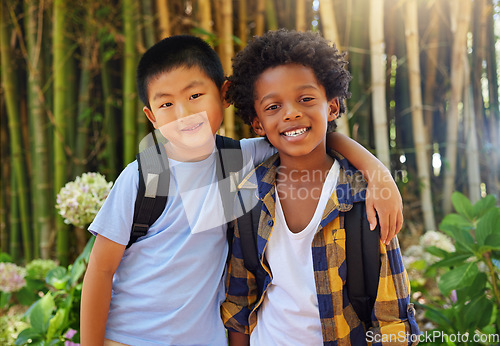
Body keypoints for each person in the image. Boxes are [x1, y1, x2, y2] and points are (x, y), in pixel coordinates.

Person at [81, 34, 405, 345]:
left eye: (195, 96)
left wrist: (378, 175)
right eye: (166, 104)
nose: (184, 114)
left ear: (224, 93)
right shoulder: (145, 176)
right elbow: (101, 270)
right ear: (151, 117)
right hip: (129, 338)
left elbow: (306, 135)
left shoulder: (239, 159)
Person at [222, 29, 419, 345]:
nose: (291, 112)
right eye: (273, 106)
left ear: (332, 106)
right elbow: (239, 303)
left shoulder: (365, 198)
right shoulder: (248, 193)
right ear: (257, 122)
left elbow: (392, 320)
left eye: (305, 99)